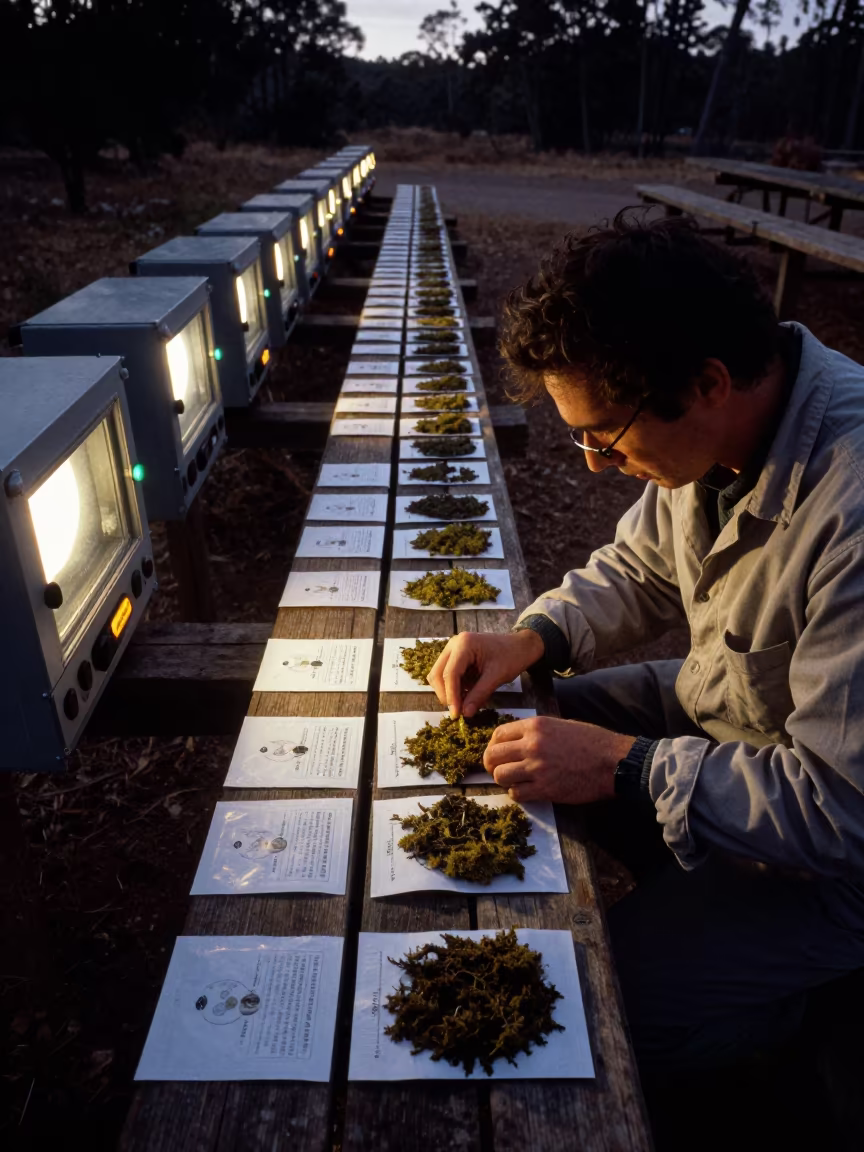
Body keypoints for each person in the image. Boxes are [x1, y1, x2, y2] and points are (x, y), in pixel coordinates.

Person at [427, 211, 864, 1076]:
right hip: (733, 714)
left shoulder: (852, 508)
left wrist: (625, 767)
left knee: (592, 1000)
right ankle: (692, 898)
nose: (592, 463)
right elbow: (642, 564)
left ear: (706, 382)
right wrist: (536, 638)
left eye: (606, 436)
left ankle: (796, 1022)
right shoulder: (730, 426)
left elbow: (841, 809)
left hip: (838, 853)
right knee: (505, 733)